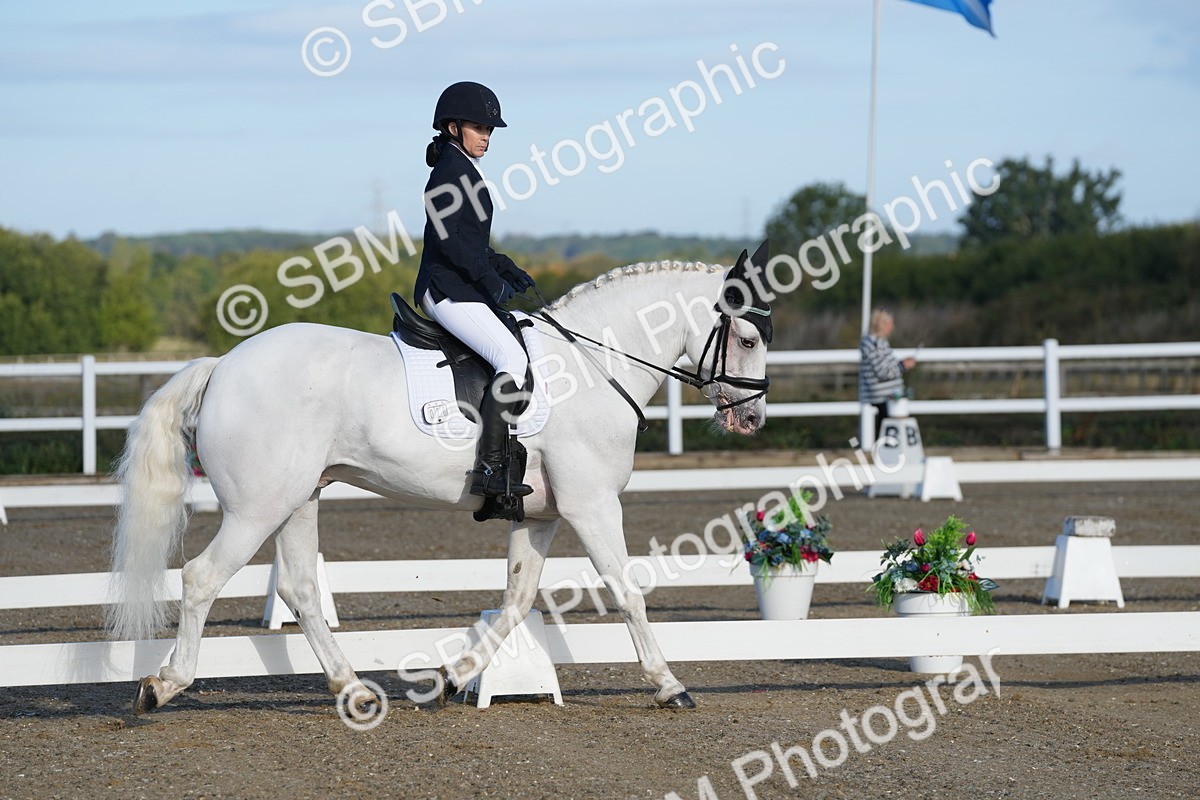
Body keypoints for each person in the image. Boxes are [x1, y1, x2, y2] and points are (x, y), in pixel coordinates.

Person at [414, 81, 537, 499]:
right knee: (511, 357)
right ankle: (490, 469)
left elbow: (470, 239)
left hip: (459, 284)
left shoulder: (463, 166)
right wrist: (489, 281)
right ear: (453, 127)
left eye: (490, 130)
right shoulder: (448, 171)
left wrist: (503, 266)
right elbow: (449, 240)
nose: (486, 136)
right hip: (445, 289)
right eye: (479, 128)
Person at [859, 309, 916, 440]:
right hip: (883, 395)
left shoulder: (876, 343)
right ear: (881, 325)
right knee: (887, 428)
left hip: (883, 394)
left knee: (885, 427)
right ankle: (884, 454)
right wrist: (902, 366)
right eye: (890, 323)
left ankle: (884, 453)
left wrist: (900, 364)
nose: (892, 327)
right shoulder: (875, 343)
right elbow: (883, 371)